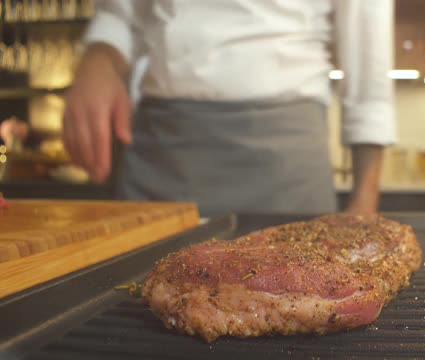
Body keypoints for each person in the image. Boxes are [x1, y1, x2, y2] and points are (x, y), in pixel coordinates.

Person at [63, 0, 395, 215]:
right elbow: (119, 15)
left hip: (287, 166)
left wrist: (365, 198)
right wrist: (100, 59)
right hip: (162, 154)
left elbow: (369, 55)